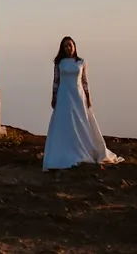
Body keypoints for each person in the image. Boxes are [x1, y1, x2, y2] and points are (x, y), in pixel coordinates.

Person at [42, 36, 123, 171]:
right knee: (65, 123)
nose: (68, 48)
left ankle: (84, 148)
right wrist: (54, 96)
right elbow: (56, 81)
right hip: (64, 96)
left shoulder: (81, 62)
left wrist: (88, 96)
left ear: (74, 46)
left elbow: (85, 81)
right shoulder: (59, 63)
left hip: (78, 96)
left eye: (70, 45)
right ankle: (64, 151)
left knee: (81, 122)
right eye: (65, 46)